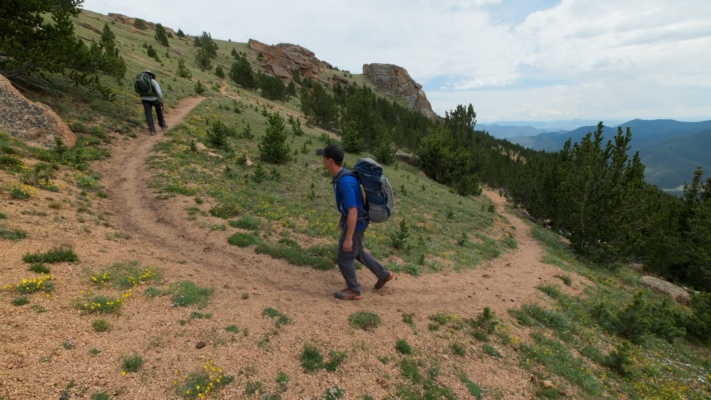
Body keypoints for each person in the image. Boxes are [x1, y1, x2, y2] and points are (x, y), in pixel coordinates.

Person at [317, 144, 393, 300]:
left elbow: (353, 211)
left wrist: (348, 238)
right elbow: (351, 206)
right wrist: (342, 218)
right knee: (357, 253)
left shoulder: (345, 182)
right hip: (357, 221)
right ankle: (383, 274)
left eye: (323, 157)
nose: (322, 160)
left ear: (330, 160)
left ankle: (354, 289)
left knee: (344, 257)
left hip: (356, 223)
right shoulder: (343, 176)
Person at [140, 70, 167, 135]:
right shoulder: (154, 82)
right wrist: (161, 99)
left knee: (148, 114)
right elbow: (158, 92)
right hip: (153, 99)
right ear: (151, 75)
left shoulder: (140, 81)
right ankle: (162, 126)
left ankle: (152, 130)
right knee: (159, 110)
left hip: (144, 99)